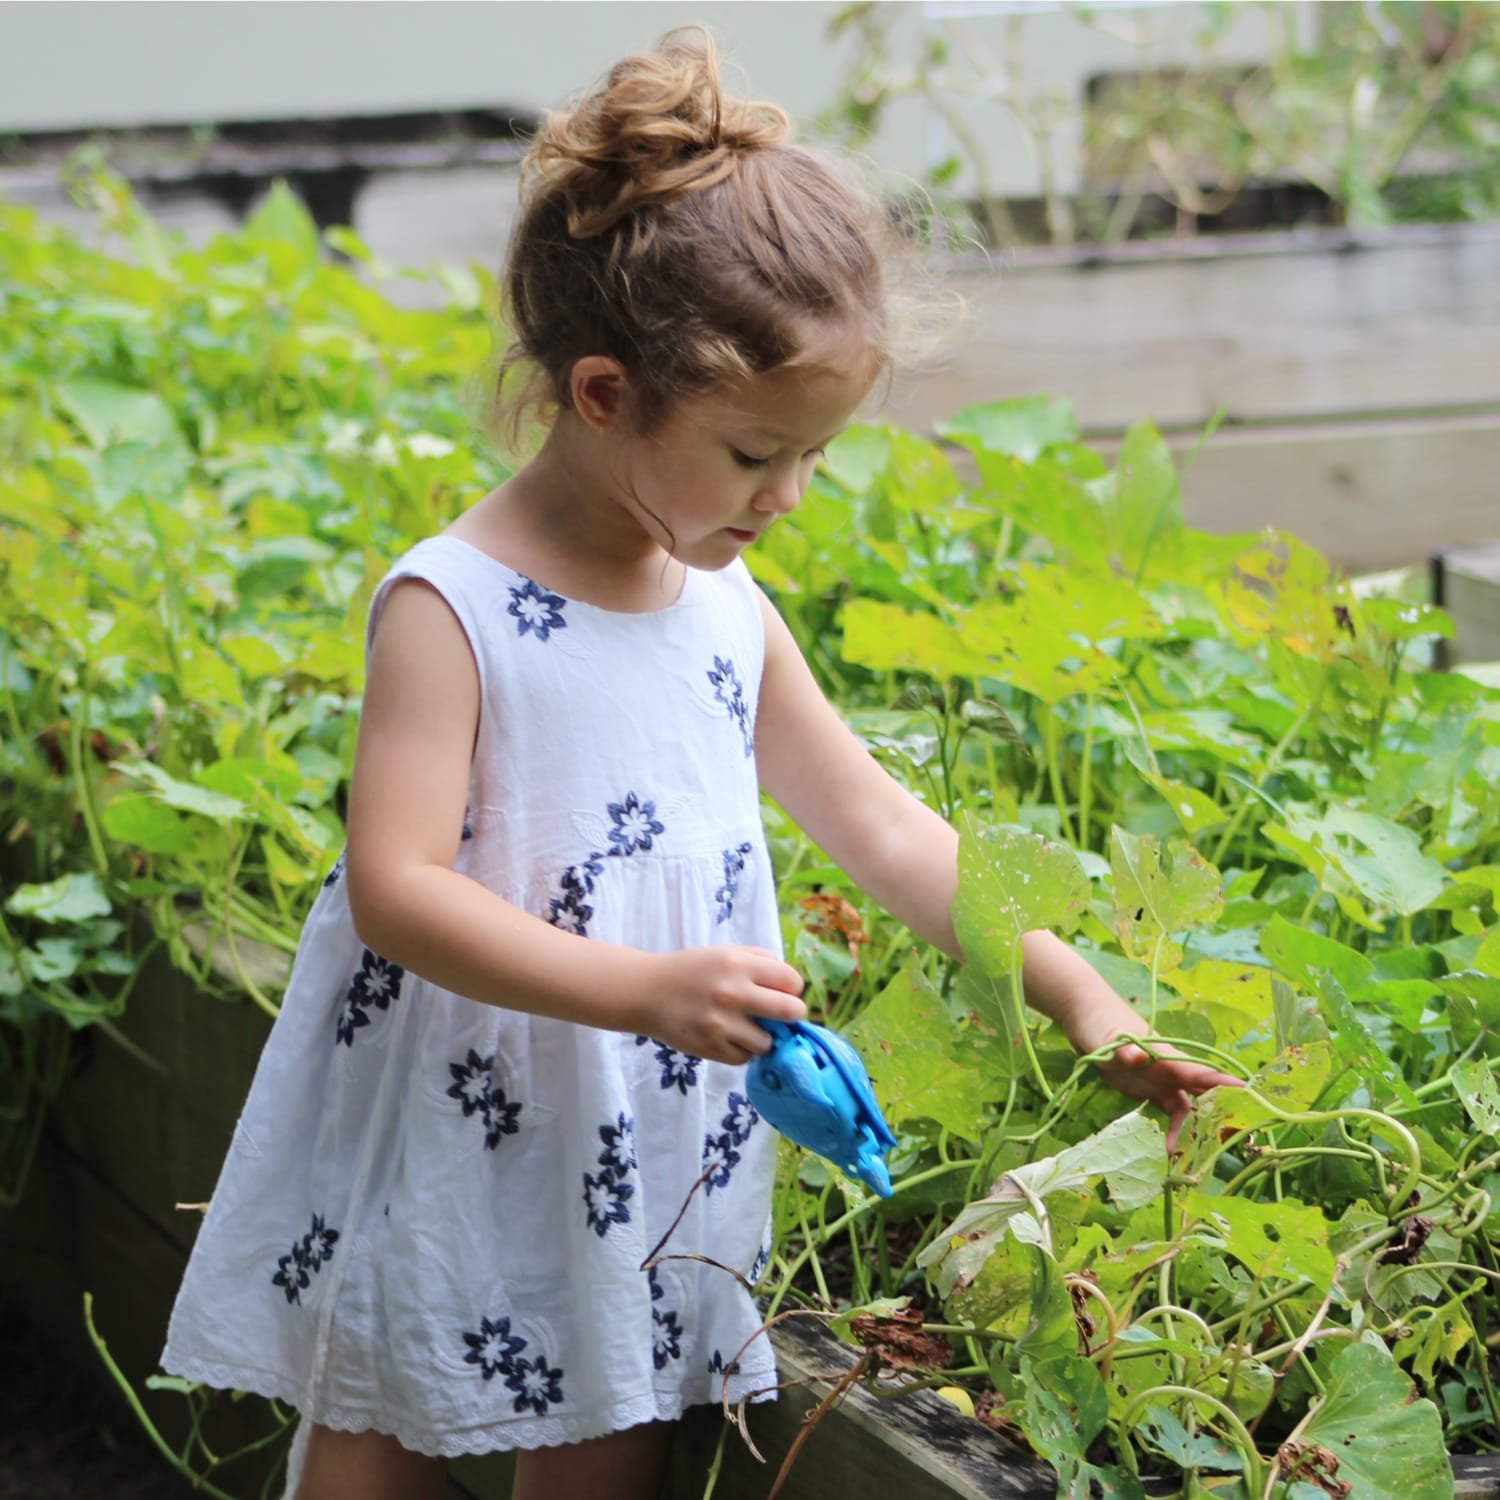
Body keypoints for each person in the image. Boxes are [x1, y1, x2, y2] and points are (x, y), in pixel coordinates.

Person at [160, 27, 1237, 1500]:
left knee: (614, 1435)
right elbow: (396, 888)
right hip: (472, 1109)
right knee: (385, 1425)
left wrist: (1081, 997)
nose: (787, 496)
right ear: (603, 394)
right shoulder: (454, 606)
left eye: (813, 457)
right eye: (752, 455)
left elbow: (892, 835)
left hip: (648, 1140)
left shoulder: (724, 611)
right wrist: (643, 991)